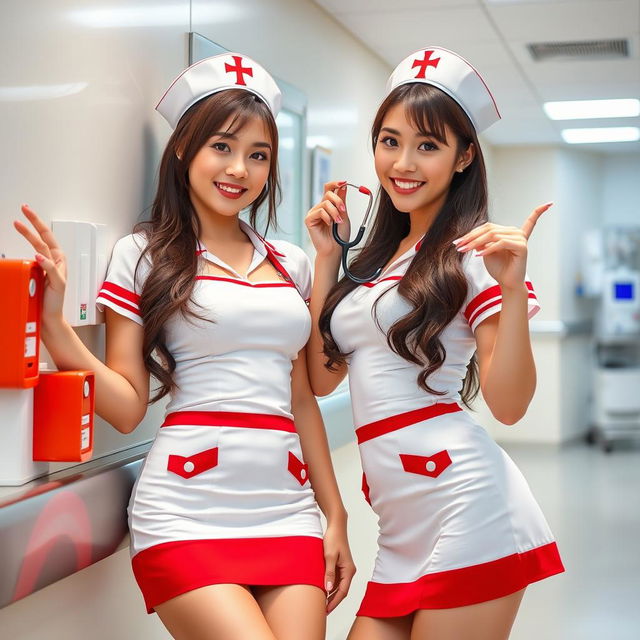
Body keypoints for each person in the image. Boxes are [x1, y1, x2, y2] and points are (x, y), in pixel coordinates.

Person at [15, 52, 354, 640]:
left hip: (286, 508)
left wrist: (336, 514)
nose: (238, 170)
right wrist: (52, 323)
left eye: (258, 155)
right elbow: (124, 404)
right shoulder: (143, 255)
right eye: (221, 146)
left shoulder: (292, 263)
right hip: (186, 511)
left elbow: (305, 398)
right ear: (183, 149)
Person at [304, 46, 564, 640]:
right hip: (402, 525)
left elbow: (509, 404)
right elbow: (322, 379)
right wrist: (326, 262)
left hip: (466, 506)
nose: (403, 162)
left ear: (464, 155)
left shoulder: (473, 259)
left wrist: (514, 286)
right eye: (390, 141)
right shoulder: (374, 262)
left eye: (428, 145)